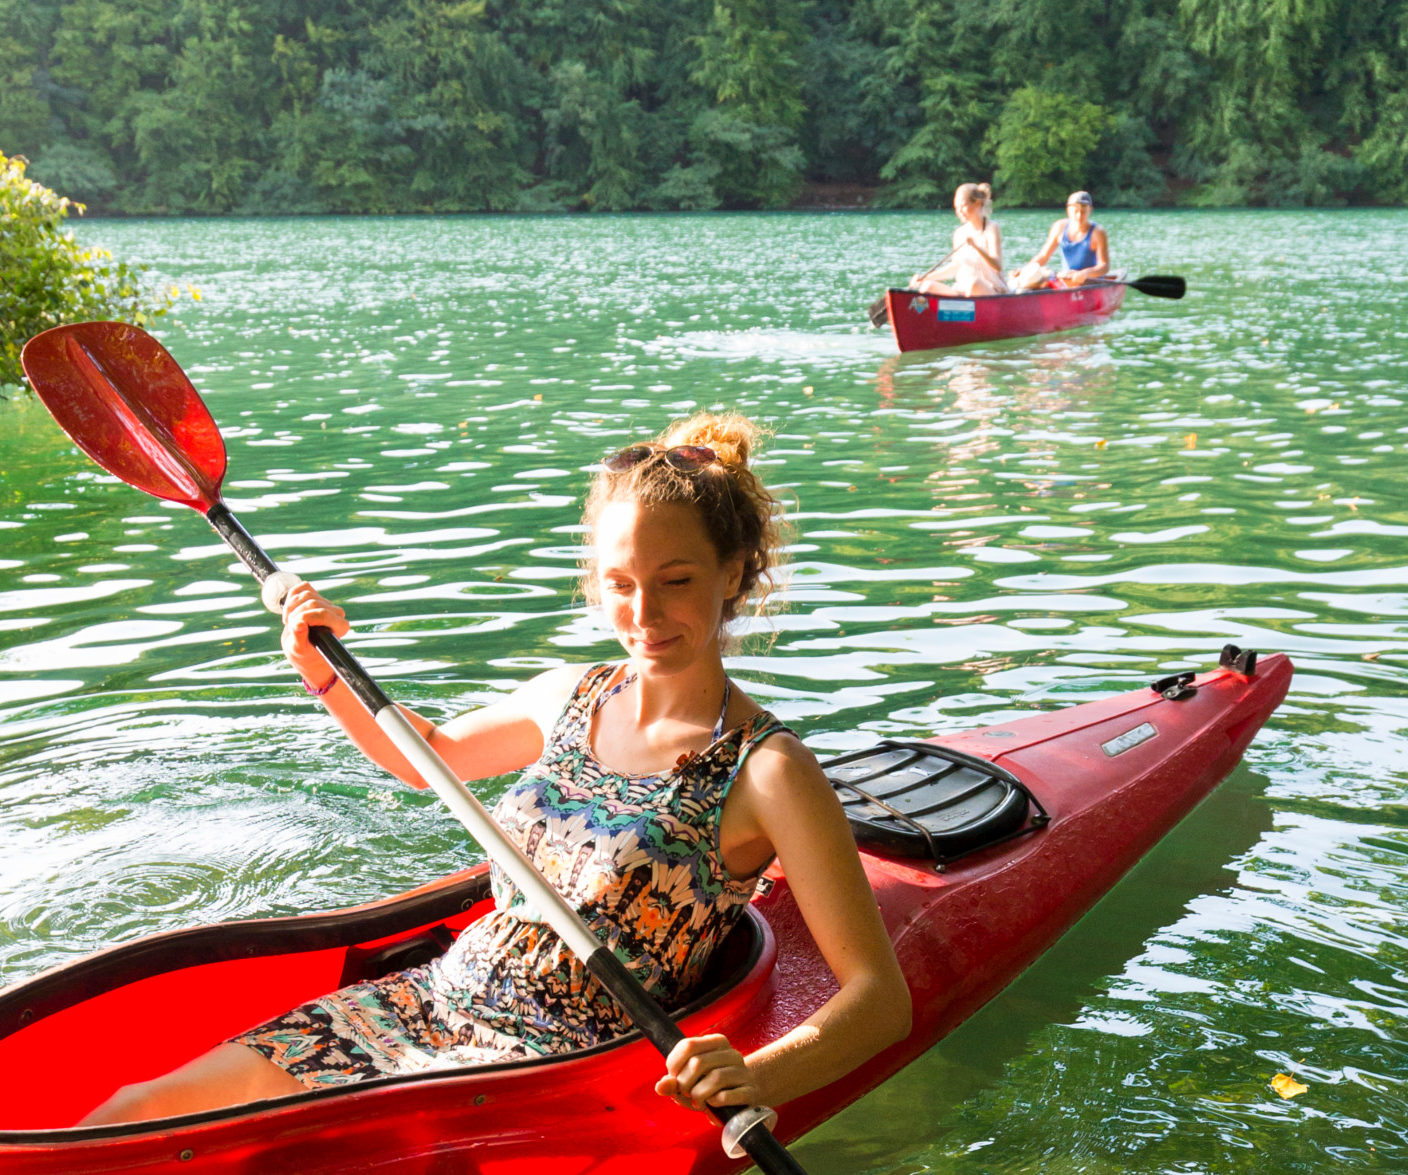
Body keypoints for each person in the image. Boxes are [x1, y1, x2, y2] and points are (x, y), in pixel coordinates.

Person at [82, 413, 912, 1127]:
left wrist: (754, 1077)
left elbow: (879, 1001)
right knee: (134, 1108)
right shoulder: (570, 696)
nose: (644, 613)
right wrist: (324, 667)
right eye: (620, 584)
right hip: (427, 1000)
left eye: (676, 582)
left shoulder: (767, 771)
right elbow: (429, 760)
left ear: (733, 575)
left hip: (543, 1075)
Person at [912, 183, 1008, 297]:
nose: (959, 211)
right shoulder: (959, 233)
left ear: (977, 203)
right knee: (927, 286)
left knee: (974, 283)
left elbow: (997, 265)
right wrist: (925, 277)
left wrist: (977, 247)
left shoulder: (991, 228)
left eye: (963, 206)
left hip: (990, 289)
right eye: (956, 208)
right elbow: (955, 267)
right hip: (963, 290)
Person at [1013, 191, 1111, 290]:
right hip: (1066, 278)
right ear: (1068, 210)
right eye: (1075, 211)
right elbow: (1043, 256)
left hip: (1090, 281)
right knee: (1040, 276)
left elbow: (1104, 266)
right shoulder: (1059, 227)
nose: (1079, 216)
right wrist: (1025, 270)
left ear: (1090, 210)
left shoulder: (1098, 232)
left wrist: (1084, 273)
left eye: (1083, 211)